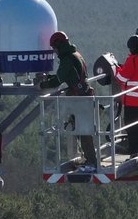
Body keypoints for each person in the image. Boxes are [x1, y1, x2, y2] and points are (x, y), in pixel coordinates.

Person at [39, 31, 98, 172]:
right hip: (83, 95)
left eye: (54, 48)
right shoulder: (75, 55)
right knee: (80, 127)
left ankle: (91, 162)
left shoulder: (67, 59)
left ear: (59, 45)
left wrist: (42, 84)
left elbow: (59, 79)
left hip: (80, 99)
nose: (54, 51)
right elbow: (65, 75)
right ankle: (88, 159)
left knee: (84, 131)